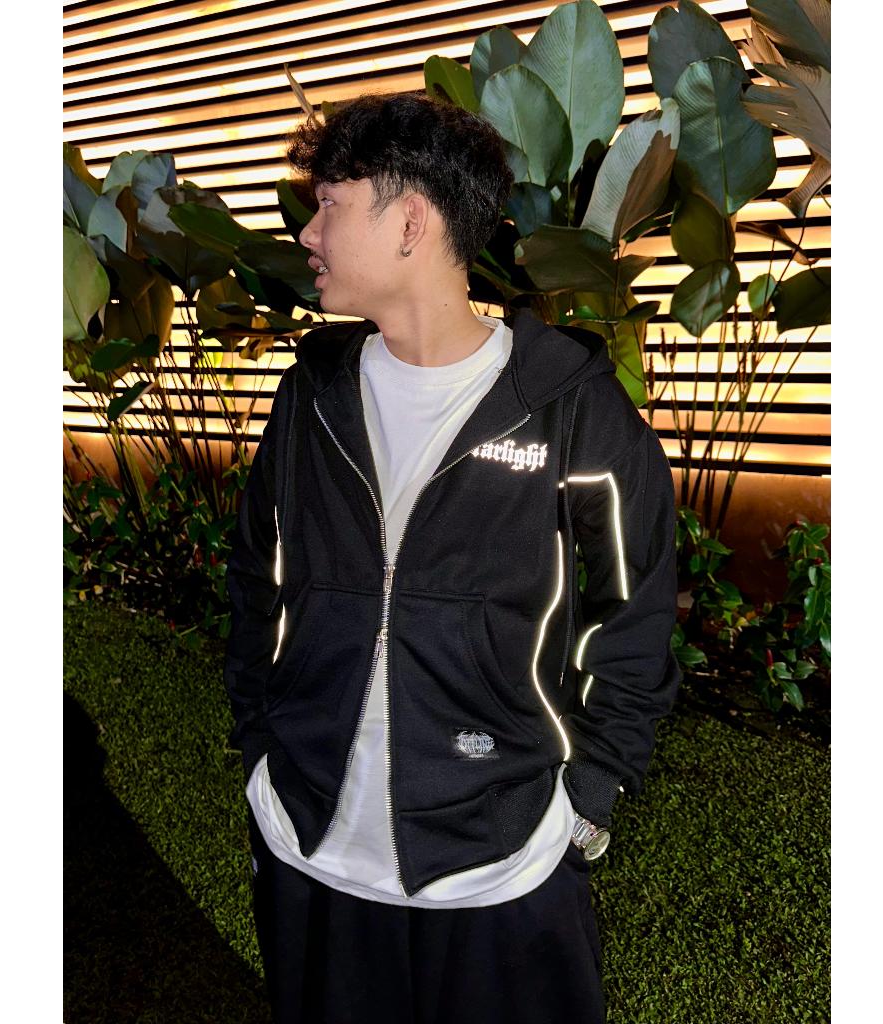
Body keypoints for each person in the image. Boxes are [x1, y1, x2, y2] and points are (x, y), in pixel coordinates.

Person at [223, 91, 682, 1024]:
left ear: (410, 223)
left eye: (330, 205)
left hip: (499, 868)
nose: (307, 233)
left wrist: (587, 795)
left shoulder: (571, 408)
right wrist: (262, 747)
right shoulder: (311, 395)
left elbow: (632, 614)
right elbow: (254, 577)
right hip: (308, 844)